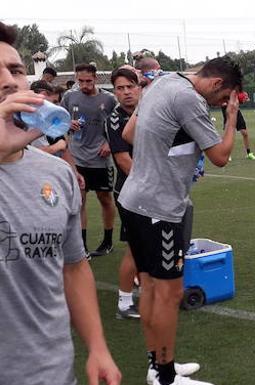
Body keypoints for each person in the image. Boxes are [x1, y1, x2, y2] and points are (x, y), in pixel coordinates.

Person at [0, 21, 121, 385]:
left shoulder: (57, 175)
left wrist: (97, 346)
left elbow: (73, 267)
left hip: (52, 373)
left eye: (15, 69)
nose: (8, 80)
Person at [118, 56, 242, 385]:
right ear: (218, 85)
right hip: (160, 208)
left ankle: (157, 364)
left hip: (134, 199)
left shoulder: (163, 82)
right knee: (169, 294)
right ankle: (165, 376)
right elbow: (220, 157)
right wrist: (230, 119)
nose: (219, 104)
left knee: (150, 288)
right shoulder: (190, 98)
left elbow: (130, 133)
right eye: (222, 98)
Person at [61, 63, 117, 256]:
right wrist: (68, 123)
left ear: (96, 79)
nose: (84, 85)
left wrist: (109, 144)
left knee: (105, 199)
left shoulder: (109, 99)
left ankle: (107, 241)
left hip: (100, 159)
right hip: (77, 158)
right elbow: (59, 121)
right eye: (81, 81)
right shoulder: (70, 96)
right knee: (80, 201)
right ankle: (82, 246)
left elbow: (116, 125)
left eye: (88, 81)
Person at [105, 67, 142, 320]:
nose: (126, 92)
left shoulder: (150, 111)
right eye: (120, 88)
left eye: (130, 86)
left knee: (149, 245)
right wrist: (155, 183)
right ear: (115, 92)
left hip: (153, 190)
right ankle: (124, 303)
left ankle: (149, 286)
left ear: (139, 87)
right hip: (131, 192)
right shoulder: (115, 120)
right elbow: (122, 160)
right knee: (136, 247)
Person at [220, 91, 255, 160]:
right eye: (244, 99)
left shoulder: (235, 94)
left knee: (245, 133)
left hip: (237, 112)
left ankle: (249, 153)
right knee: (229, 135)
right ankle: (227, 155)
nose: (245, 101)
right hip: (228, 113)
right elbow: (222, 103)